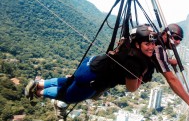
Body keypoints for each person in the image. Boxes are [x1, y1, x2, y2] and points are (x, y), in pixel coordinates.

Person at [24, 24, 157, 104]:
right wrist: (142, 75)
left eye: (153, 43)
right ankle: (38, 92)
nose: (151, 47)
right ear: (138, 45)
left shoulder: (128, 46)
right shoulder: (134, 64)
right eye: (147, 44)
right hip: (92, 79)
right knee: (68, 96)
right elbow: (131, 88)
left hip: (90, 63)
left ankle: (39, 83)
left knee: (70, 81)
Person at [153, 23, 189, 113]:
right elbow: (171, 79)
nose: (178, 42)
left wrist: (168, 60)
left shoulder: (157, 41)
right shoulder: (158, 48)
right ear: (165, 34)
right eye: (176, 38)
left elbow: (156, 57)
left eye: (180, 40)